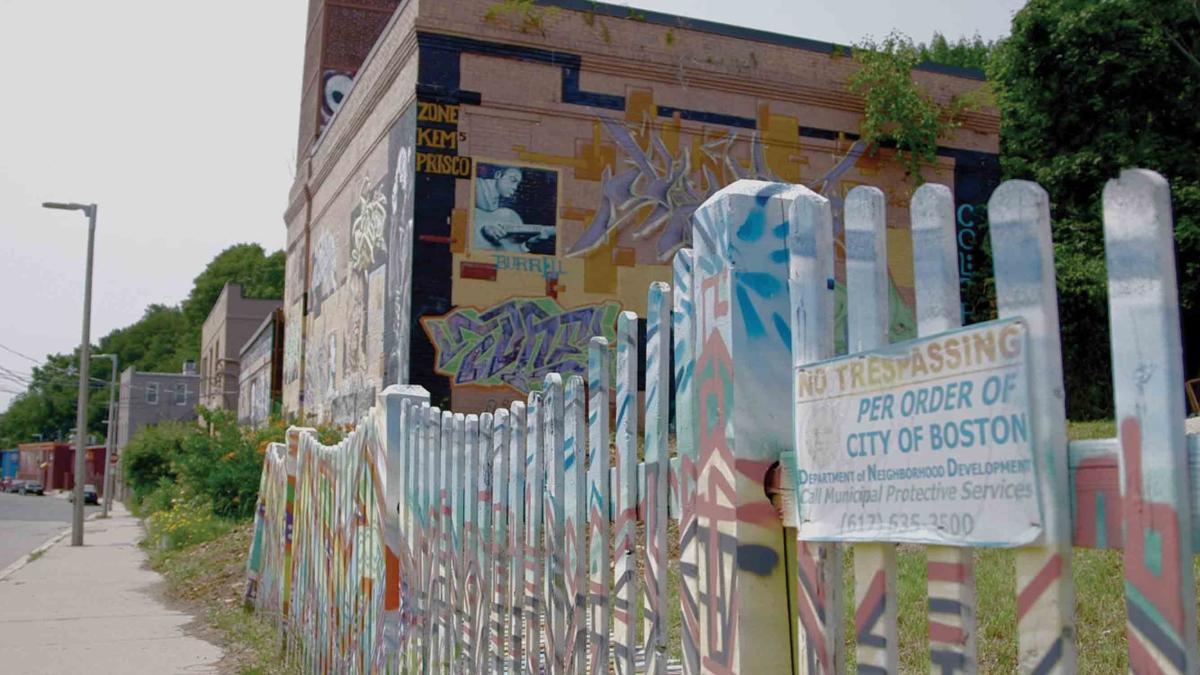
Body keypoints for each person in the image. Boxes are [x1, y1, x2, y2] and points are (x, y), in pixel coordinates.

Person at [474, 166, 554, 254]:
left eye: (517, 184)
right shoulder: (476, 185)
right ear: (498, 175)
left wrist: (527, 244)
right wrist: (483, 227)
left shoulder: (494, 207)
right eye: (512, 180)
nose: (515, 187)